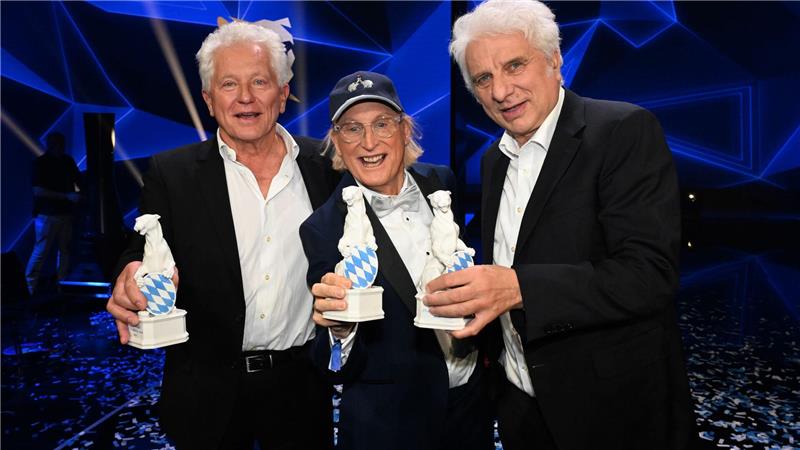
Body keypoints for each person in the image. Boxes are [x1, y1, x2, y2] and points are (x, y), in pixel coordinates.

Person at [423, 1, 694, 449]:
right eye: (483, 79)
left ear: (553, 59)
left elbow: (649, 274)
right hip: (521, 409)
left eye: (515, 65)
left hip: (610, 413)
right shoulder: (494, 161)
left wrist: (518, 288)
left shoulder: (621, 130)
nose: (501, 90)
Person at [105, 21, 338, 449]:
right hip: (208, 394)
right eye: (229, 84)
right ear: (210, 101)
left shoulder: (325, 166)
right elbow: (142, 247)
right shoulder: (171, 174)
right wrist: (130, 272)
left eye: (260, 82)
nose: (245, 97)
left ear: (283, 95)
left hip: (302, 389)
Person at [301, 71, 493, 450]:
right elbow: (330, 361)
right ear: (337, 142)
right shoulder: (322, 228)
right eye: (352, 129)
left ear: (405, 130)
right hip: (390, 425)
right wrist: (339, 330)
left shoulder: (441, 182)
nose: (369, 142)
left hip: (471, 405)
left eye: (382, 124)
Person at [26, 132, 81, 295]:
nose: (59, 146)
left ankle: (61, 285)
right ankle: (29, 288)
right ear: (50, 144)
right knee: (42, 251)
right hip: (47, 215)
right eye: (56, 143)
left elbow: (78, 181)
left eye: (61, 143)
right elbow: (38, 191)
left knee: (63, 251)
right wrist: (68, 196)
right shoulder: (40, 163)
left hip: (64, 214)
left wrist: (78, 194)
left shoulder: (67, 161)